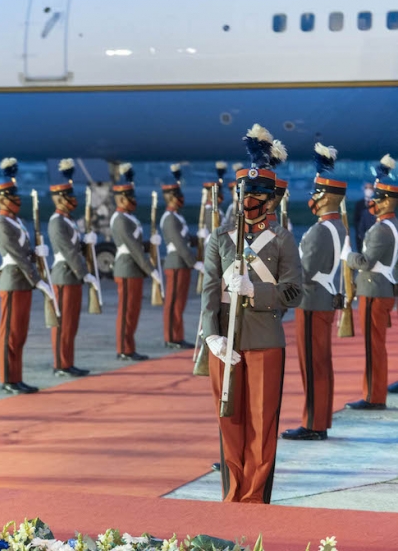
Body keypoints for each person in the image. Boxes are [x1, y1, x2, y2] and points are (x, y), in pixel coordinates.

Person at [201, 123, 302, 504]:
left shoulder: (283, 239)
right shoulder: (219, 239)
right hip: (224, 340)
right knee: (230, 420)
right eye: (247, 190)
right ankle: (233, 490)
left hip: (264, 339)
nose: (251, 198)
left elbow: (294, 291)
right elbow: (209, 292)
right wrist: (211, 335)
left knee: (262, 422)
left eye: (259, 192)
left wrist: (254, 290)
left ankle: (255, 496)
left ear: (272, 200)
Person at [283, 143, 346, 440]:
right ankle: (319, 420)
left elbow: (303, 271)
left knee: (312, 365)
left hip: (310, 301)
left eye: (316, 193)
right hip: (325, 297)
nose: (312, 198)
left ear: (325, 198)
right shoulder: (339, 227)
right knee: (321, 363)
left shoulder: (320, 231)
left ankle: (314, 424)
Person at [0, 158, 52, 394]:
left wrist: (38, 252)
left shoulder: (17, 221)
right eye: (12, 195)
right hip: (14, 281)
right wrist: (38, 280)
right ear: (3, 198)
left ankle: (16, 376)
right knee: (10, 334)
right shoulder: (2, 224)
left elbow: (25, 252)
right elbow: (17, 256)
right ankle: (8, 378)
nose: (18, 199)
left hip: (22, 282)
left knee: (20, 332)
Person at [342, 154, 398, 409]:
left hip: (374, 291)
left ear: (387, 202)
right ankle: (374, 394)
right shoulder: (390, 225)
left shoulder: (381, 229)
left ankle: (373, 397)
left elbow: (365, 262)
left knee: (372, 347)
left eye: (377, 199)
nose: (372, 203)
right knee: (374, 345)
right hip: (380, 289)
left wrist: (348, 256)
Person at [47, 158, 96, 376]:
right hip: (64, 277)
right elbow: (68, 251)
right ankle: (60, 364)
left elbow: (77, 247)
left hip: (72, 278)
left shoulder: (69, 221)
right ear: (59, 199)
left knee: (71, 324)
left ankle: (68, 361)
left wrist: (87, 242)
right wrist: (85, 273)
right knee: (62, 324)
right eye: (69, 197)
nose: (72, 200)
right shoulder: (57, 222)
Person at [110, 163, 162, 361]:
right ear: (121, 199)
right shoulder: (121, 219)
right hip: (127, 269)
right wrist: (151, 270)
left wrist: (150, 244)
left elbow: (138, 244)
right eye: (130, 198)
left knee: (132, 311)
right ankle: (124, 348)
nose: (133, 201)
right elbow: (133, 248)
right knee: (126, 312)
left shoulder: (129, 218)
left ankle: (129, 346)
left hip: (133, 270)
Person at [161, 164, 202, 349]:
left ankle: (177, 335)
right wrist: (194, 263)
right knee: (173, 303)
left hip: (181, 264)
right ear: (171, 198)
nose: (181, 199)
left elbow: (185, 239)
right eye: (178, 196)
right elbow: (179, 244)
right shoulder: (170, 218)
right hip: (176, 263)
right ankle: (171, 337)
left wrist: (198, 238)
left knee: (179, 303)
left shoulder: (177, 217)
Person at [353, 182, 377, 250]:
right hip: (361, 236)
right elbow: (356, 220)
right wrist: (360, 233)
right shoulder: (359, 204)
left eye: (370, 188)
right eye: (367, 188)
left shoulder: (377, 204)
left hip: (374, 236)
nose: (368, 190)